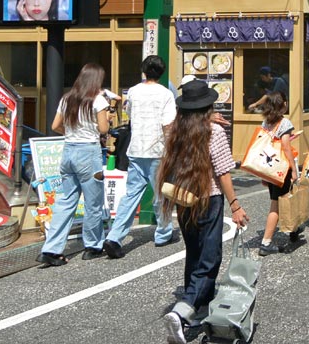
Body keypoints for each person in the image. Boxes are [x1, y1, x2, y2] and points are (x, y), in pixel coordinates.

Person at [159, 79, 248, 344]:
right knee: (210, 259)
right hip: (209, 199)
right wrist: (236, 206)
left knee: (195, 254)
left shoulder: (176, 130)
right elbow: (223, 172)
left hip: (184, 200)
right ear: (208, 105)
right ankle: (183, 311)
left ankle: (198, 308)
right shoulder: (214, 132)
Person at [36, 63, 111, 266]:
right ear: (97, 80)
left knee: (65, 201)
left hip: (68, 151)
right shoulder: (98, 100)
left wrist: (70, 133)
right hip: (88, 153)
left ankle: (51, 250)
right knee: (93, 203)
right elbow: (103, 129)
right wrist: (106, 120)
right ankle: (93, 246)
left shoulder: (66, 98)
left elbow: (54, 126)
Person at [103, 55, 177, 259]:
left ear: (144, 71)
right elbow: (168, 125)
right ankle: (163, 234)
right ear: (161, 73)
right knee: (160, 194)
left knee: (131, 195)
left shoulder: (134, 91)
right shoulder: (165, 94)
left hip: (136, 149)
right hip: (157, 150)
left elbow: (129, 114)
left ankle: (115, 237)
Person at [257, 91, 300, 255]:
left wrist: (263, 174)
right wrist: (294, 169)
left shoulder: (265, 123)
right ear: (283, 105)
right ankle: (266, 242)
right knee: (277, 203)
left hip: (269, 167)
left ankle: (293, 229)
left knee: (284, 199)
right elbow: (286, 147)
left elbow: (265, 146)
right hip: (282, 169)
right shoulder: (285, 123)